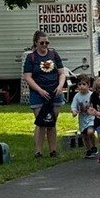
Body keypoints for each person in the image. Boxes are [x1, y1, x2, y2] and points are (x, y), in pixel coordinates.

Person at [23, 29, 64, 158]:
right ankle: (38, 151)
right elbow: (28, 77)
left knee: (52, 121)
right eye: (42, 43)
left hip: (54, 91)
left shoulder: (54, 54)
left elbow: (62, 73)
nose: (45, 45)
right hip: (38, 93)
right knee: (41, 122)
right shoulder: (31, 57)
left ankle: (53, 150)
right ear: (36, 43)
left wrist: (60, 85)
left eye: (47, 42)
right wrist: (39, 90)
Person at [70, 74, 96, 158]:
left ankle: (93, 146)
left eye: (84, 84)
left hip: (91, 117)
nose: (81, 86)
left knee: (90, 132)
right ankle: (88, 150)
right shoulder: (77, 96)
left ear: (89, 85)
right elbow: (73, 106)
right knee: (84, 135)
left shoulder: (92, 95)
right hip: (82, 118)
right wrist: (74, 111)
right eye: (79, 84)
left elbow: (96, 104)